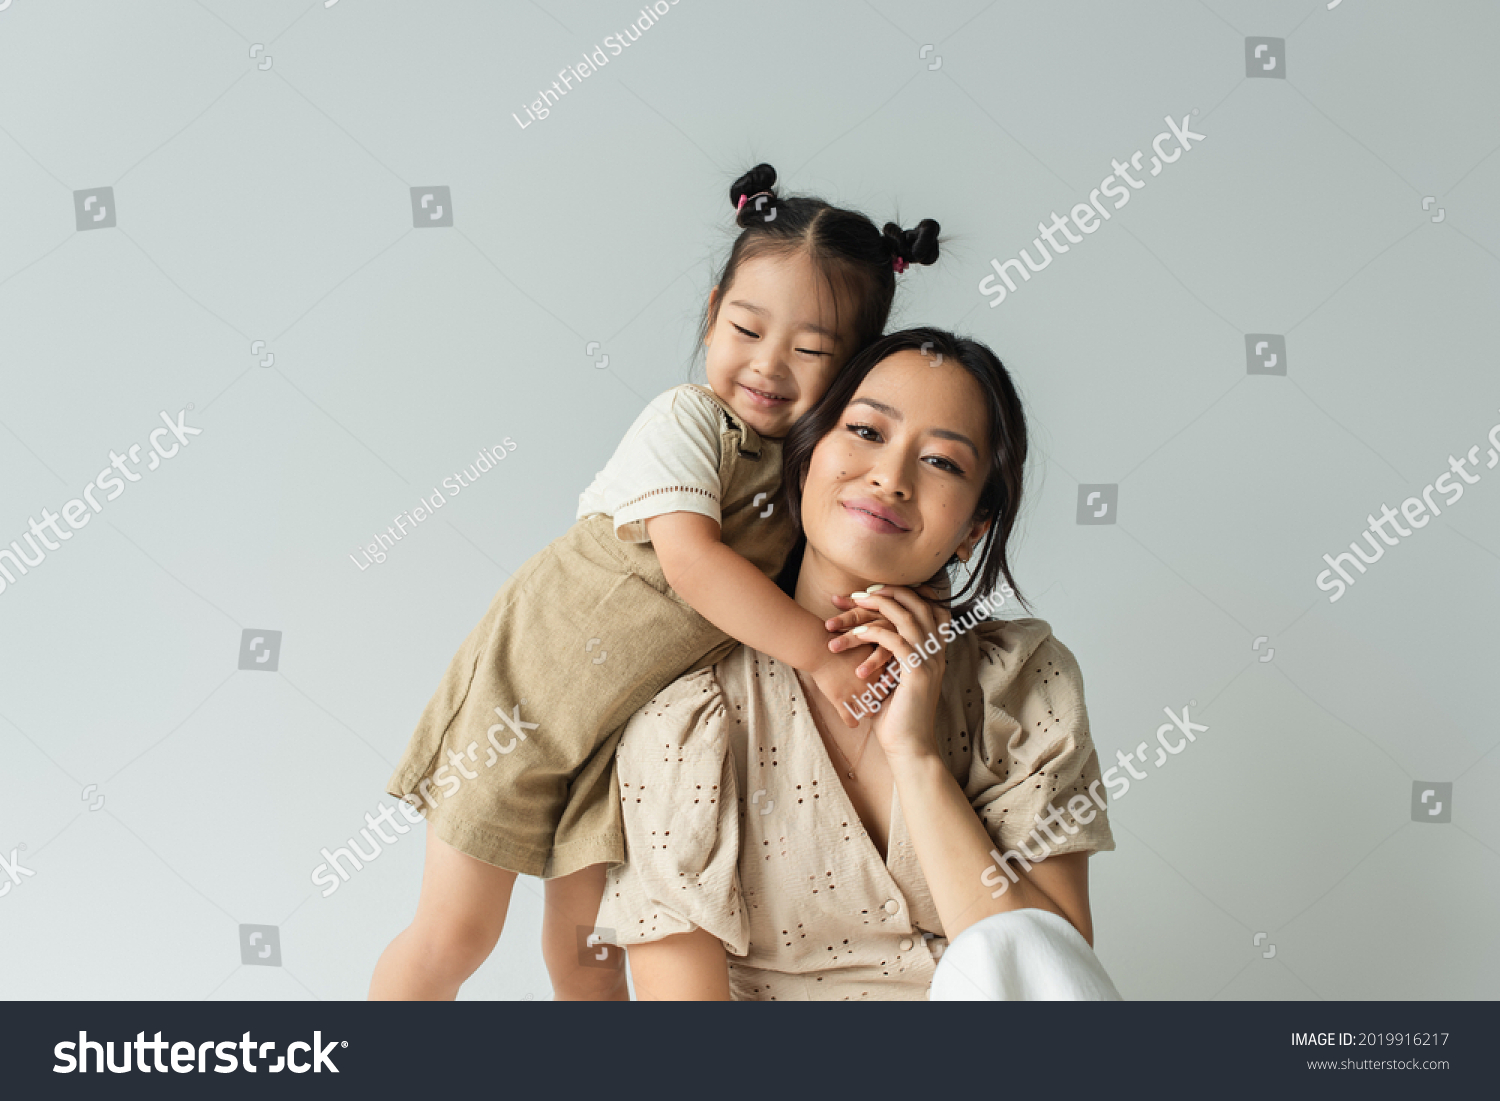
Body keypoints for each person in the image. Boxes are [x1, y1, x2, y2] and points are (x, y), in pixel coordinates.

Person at [368, 165, 941, 1000]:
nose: (770, 366)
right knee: (455, 933)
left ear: (854, 372)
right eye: (747, 329)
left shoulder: (810, 479)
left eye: (813, 351)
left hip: (620, 741)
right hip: (523, 699)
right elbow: (693, 563)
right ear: (712, 316)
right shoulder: (687, 422)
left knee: (591, 952)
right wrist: (823, 657)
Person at [597, 327, 1121, 999]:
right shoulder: (686, 717)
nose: (890, 477)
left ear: (974, 527)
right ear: (808, 455)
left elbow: (1052, 983)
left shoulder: (1021, 682)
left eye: (942, 462)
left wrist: (916, 755)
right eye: (868, 433)